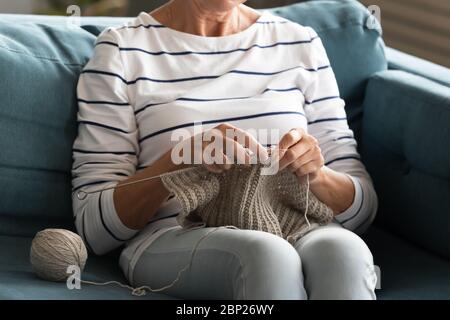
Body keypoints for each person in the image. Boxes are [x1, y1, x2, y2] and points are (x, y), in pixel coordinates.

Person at [72, 0, 378, 299]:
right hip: (174, 234)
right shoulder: (121, 51)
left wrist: (318, 175)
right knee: (267, 255)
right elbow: (94, 227)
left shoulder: (300, 43)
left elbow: (361, 210)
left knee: (344, 253)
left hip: (298, 222)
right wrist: (178, 162)